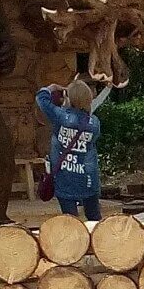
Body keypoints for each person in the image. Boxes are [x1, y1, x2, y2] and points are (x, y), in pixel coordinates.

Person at [35, 80, 101, 220]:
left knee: (71, 222)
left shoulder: (60, 116)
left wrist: (51, 87)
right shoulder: (94, 123)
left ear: (69, 98)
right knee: (95, 219)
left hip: (64, 179)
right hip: (88, 178)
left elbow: (41, 99)